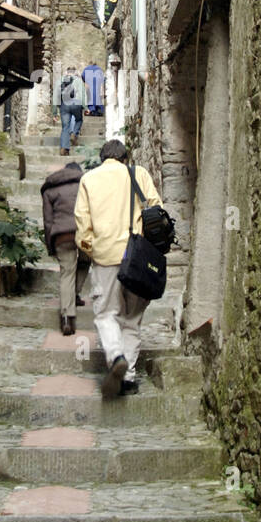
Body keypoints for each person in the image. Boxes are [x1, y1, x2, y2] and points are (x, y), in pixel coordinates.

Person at [74, 139, 161, 399]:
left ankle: (115, 356)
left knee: (106, 314)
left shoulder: (89, 179)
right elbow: (157, 211)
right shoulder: (140, 174)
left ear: (102, 157)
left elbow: (82, 224)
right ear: (125, 157)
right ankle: (129, 377)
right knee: (132, 320)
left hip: (106, 257)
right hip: (137, 259)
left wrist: (93, 249)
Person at [41, 161, 89, 335]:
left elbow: (47, 221)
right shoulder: (85, 183)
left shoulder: (50, 188)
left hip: (61, 235)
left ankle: (67, 317)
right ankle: (75, 294)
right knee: (85, 261)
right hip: (83, 232)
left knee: (67, 272)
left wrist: (50, 245)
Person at [52, 66, 86, 155]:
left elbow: (55, 96)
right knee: (79, 120)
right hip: (76, 103)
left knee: (65, 127)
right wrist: (85, 107)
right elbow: (83, 95)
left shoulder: (60, 80)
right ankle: (74, 133)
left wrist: (54, 112)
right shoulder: (78, 80)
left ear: (66, 72)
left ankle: (64, 148)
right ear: (75, 72)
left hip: (64, 105)